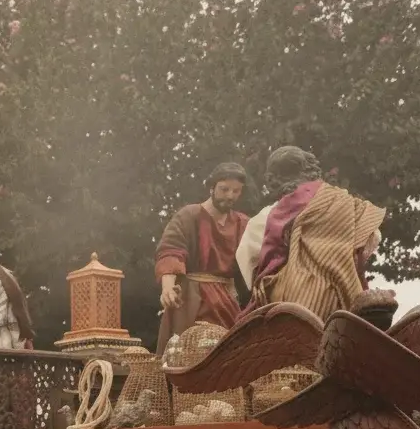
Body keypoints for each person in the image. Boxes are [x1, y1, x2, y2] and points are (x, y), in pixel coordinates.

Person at [238, 146, 386, 322]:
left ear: (273, 180)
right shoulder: (346, 202)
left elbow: (246, 260)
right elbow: (373, 237)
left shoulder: (265, 216)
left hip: (287, 307)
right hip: (345, 301)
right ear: (309, 170)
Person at [154, 163, 250, 353]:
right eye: (224, 189)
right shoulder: (189, 216)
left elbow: (257, 262)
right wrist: (167, 289)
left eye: (236, 191)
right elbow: (171, 251)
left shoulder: (243, 223)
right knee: (186, 353)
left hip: (226, 301)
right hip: (192, 299)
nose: (230, 195)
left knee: (229, 356)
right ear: (211, 187)